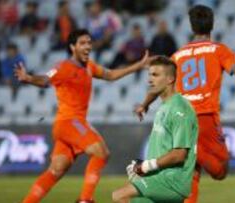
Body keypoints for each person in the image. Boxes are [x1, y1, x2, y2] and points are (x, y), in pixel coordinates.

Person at [135, 5, 235, 203]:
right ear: (212, 25)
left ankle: (191, 153)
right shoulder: (218, 50)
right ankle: (195, 151)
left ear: (191, 27)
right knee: (221, 171)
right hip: (205, 117)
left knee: (190, 175)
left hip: (180, 120)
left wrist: (144, 104)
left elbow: (160, 84)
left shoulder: (177, 56)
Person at [15, 29, 153, 203]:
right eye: (83, 43)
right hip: (69, 122)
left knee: (56, 170)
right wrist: (28, 78)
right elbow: (45, 80)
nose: (88, 46)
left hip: (68, 125)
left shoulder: (89, 67)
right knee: (101, 152)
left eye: (89, 42)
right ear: (73, 47)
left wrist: (138, 66)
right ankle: (86, 200)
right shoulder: (63, 67)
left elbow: (110, 75)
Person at [112, 56, 198, 203]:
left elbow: (179, 154)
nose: (150, 80)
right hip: (159, 176)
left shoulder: (179, 110)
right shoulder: (165, 106)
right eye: (150, 75)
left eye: (155, 75)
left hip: (172, 181)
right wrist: (144, 170)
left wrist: (145, 166)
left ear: (170, 79)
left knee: (120, 195)